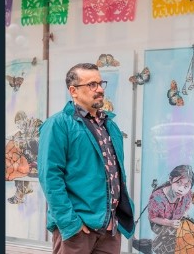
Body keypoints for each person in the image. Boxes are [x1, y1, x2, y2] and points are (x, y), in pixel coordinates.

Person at [37, 63, 134, 253]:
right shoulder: (58, 124)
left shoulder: (110, 126)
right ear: (73, 91)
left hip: (110, 229)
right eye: (91, 85)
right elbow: (50, 177)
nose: (99, 89)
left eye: (100, 83)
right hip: (78, 230)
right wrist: (70, 223)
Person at [147, 165, 194, 254]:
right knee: (178, 237)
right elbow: (152, 218)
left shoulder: (187, 195)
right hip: (159, 223)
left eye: (186, 186)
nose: (181, 189)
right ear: (171, 179)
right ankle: (158, 246)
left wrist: (184, 214)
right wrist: (169, 223)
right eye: (178, 183)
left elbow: (188, 205)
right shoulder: (158, 198)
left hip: (175, 222)